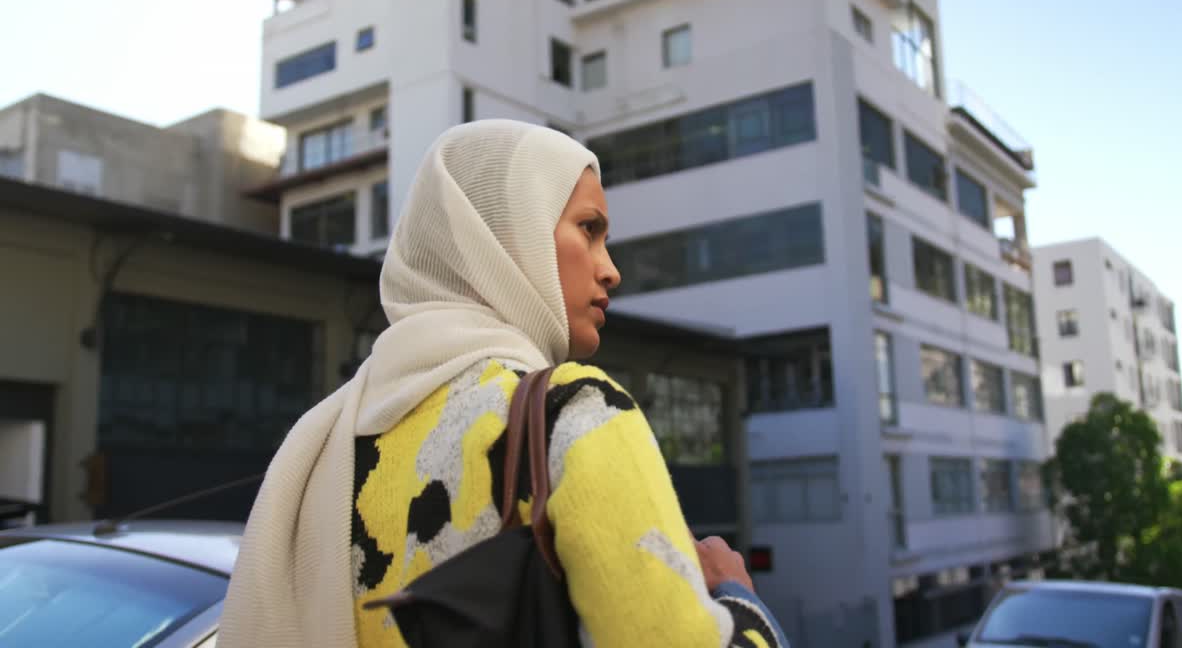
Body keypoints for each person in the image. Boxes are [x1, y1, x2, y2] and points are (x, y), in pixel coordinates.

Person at [218, 120, 789, 648]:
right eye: (588, 230)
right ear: (510, 237)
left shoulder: (328, 445)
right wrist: (738, 597)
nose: (610, 268)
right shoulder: (573, 413)